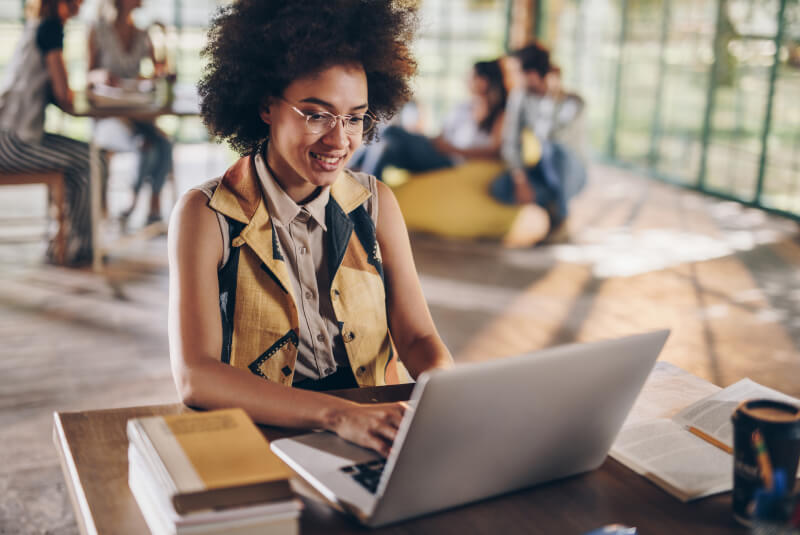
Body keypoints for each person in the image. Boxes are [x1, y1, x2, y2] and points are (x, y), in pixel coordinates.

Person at [168, 0, 454, 457]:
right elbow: (195, 376)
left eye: (355, 117)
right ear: (266, 105)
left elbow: (419, 339)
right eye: (317, 114)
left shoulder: (376, 203)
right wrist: (338, 415)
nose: (339, 140)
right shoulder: (207, 215)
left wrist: (451, 396)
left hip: (376, 429)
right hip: (265, 431)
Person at [0, 0, 92, 265]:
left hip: (10, 134)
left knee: (86, 155)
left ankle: (64, 240)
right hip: (14, 142)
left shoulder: (36, 25)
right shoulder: (51, 29)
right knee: (89, 160)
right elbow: (64, 96)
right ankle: (79, 249)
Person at [350, 59, 508, 181]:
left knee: (389, 131)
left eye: (471, 77)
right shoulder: (464, 107)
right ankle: (361, 192)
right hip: (436, 149)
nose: (466, 81)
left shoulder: (500, 114)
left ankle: (350, 172)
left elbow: (495, 151)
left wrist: (453, 150)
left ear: (485, 82)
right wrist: (423, 139)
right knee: (384, 147)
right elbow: (442, 136)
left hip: (448, 159)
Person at [88, 0, 173, 224]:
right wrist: (102, 76)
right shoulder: (97, 30)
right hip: (108, 118)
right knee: (145, 146)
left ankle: (154, 209)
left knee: (164, 144)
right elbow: (88, 75)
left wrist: (155, 74)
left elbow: (159, 71)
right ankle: (132, 203)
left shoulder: (143, 34)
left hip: (138, 115)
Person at [491, 42, 586, 239]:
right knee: (501, 188)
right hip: (544, 171)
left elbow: (552, 136)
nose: (512, 78)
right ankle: (555, 210)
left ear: (532, 73)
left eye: (517, 72)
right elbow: (511, 140)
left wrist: (550, 98)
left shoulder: (573, 102)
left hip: (570, 172)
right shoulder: (520, 97)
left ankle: (561, 216)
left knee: (555, 150)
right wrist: (520, 178)